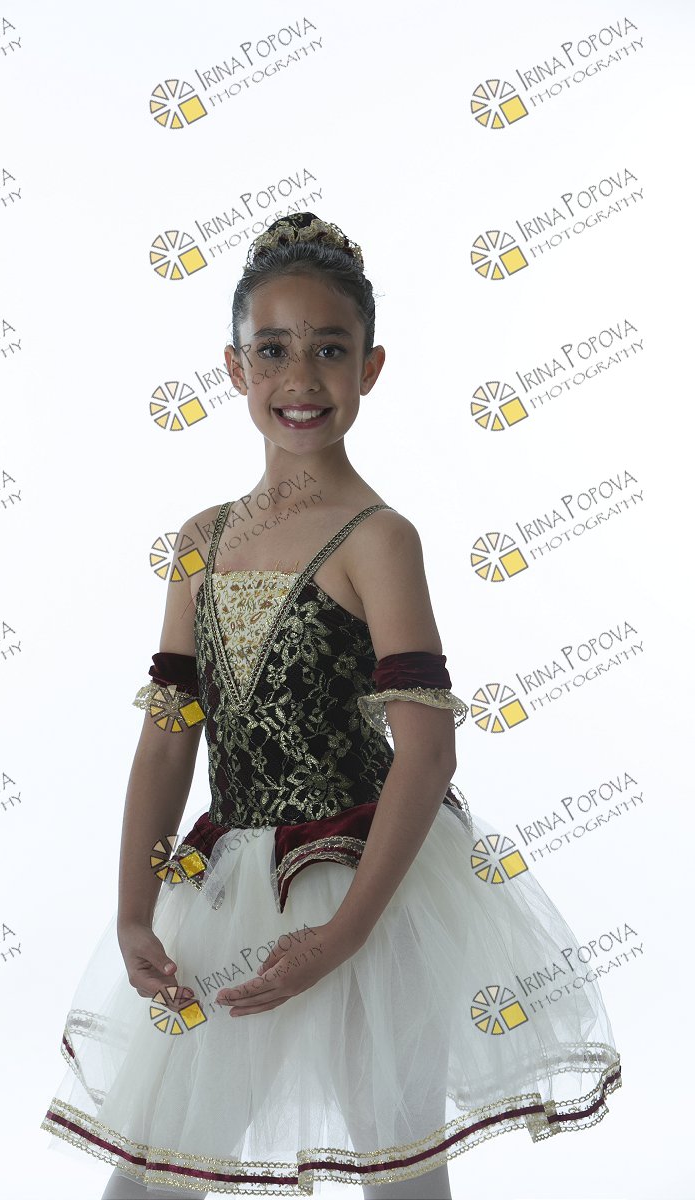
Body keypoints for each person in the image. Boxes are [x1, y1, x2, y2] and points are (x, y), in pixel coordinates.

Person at [40, 213, 622, 1199]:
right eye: (272, 350)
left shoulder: (377, 539)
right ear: (234, 368)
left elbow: (427, 752)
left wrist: (346, 932)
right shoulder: (201, 541)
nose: (300, 378)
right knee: (159, 1167)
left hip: (366, 886)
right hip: (225, 888)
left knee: (396, 1162)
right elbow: (168, 739)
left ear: (370, 367)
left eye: (330, 350)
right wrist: (135, 909)